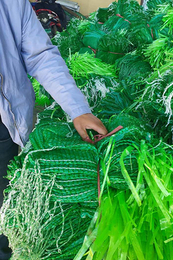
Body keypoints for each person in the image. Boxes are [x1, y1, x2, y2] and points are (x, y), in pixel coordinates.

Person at [0, 0, 107, 258]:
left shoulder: (12, 4)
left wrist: (78, 109)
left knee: (4, 198)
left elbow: (40, 55)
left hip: (3, 123)